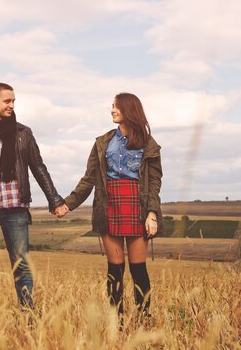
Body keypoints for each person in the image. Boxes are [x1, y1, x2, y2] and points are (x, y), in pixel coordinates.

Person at [0, 82, 68, 308]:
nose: (12, 105)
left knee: (22, 266)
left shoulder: (23, 134)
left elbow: (38, 167)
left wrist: (55, 200)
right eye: (7, 101)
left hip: (16, 208)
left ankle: (28, 314)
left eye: (13, 101)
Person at [57, 92, 163, 319]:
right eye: (112, 106)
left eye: (116, 107)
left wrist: (152, 213)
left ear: (129, 110)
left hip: (138, 206)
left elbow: (154, 182)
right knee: (115, 270)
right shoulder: (102, 143)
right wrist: (68, 204)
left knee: (138, 269)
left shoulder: (149, 144)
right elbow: (88, 179)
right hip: (109, 205)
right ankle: (118, 321)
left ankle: (144, 318)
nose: (112, 110)